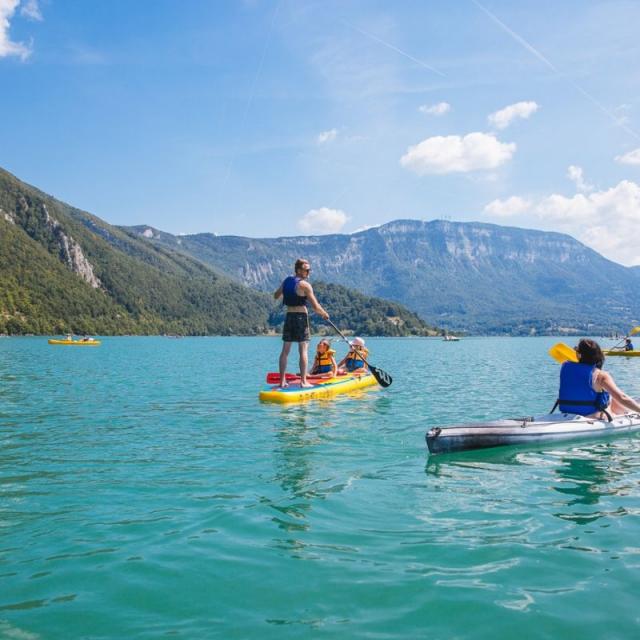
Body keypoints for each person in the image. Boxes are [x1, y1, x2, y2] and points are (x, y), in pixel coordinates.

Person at [274, 258, 329, 388]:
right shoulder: (305, 285)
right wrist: (324, 314)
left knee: (285, 350)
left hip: (289, 316)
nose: (309, 272)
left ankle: (282, 381)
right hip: (300, 317)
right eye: (306, 270)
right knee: (303, 349)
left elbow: (276, 295)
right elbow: (315, 307)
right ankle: (303, 382)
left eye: (309, 270)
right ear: (299, 270)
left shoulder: (287, 280)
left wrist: (287, 292)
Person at [556, 338, 640, 418]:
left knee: (609, 396)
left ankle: (627, 411)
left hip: (566, 411)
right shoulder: (601, 375)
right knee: (610, 396)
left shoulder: (564, 366)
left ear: (579, 354)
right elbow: (622, 397)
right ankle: (629, 412)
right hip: (591, 415)